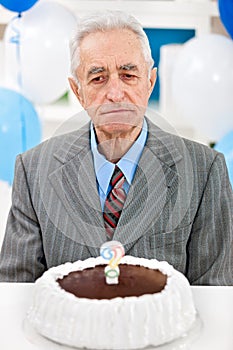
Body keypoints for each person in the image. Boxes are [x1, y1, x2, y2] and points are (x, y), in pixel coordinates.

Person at [0, 10, 232, 285]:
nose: (115, 93)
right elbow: (13, 291)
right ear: (78, 91)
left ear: (150, 82)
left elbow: (217, 294)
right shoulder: (33, 169)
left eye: (128, 75)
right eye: (98, 78)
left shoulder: (205, 170)